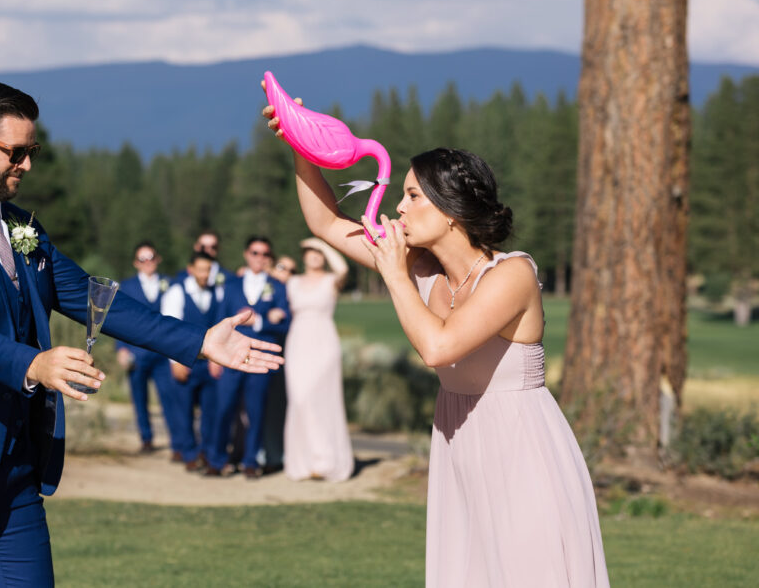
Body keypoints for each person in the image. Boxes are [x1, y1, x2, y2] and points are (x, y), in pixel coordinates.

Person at [0, 80, 282, 587]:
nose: (27, 165)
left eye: (32, 151)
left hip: (13, 473)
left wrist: (197, 341)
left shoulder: (24, 229)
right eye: (15, 152)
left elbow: (93, 298)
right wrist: (32, 365)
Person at [266, 97, 607, 586]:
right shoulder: (423, 269)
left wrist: (394, 275)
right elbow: (324, 224)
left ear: (451, 211)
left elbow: (438, 348)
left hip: (522, 452)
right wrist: (300, 143)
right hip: (460, 446)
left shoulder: (512, 275)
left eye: (412, 196)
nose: (398, 207)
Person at [204, 236, 291, 478]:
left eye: (264, 254)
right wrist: (213, 357)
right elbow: (218, 322)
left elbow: (286, 325)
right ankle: (217, 459)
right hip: (230, 356)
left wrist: (260, 321)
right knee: (224, 409)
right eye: (255, 252)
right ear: (246, 254)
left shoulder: (278, 287)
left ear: (269, 258)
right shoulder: (231, 286)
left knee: (256, 411)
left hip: (261, 357)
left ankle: (251, 461)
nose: (259, 258)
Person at [283, 237, 354, 482]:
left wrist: (324, 243)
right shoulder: (292, 282)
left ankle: (325, 461)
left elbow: (343, 268)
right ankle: (303, 460)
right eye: (310, 252)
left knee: (322, 400)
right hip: (298, 342)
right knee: (300, 399)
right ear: (302, 257)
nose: (315, 256)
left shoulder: (330, 281)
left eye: (318, 253)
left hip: (323, 343)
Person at [115, 241, 184, 457]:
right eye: (142, 259)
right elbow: (119, 320)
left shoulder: (170, 283)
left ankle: (178, 443)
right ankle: (146, 438)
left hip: (163, 352)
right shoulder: (126, 286)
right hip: (137, 352)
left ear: (158, 259)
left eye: (151, 257)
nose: (148, 262)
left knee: (169, 397)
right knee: (139, 397)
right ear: (136, 263)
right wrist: (121, 348)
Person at [160, 250, 224, 470]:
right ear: (191, 269)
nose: (205, 274)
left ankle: (207, 452)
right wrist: (175, 361)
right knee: (183, 410)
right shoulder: (177, 292)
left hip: (209, 363)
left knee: (210, 410)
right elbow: (169, 329)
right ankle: (189, 454)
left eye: (208, 269)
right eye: (201, 269)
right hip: (184, 360)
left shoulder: (217, 292)